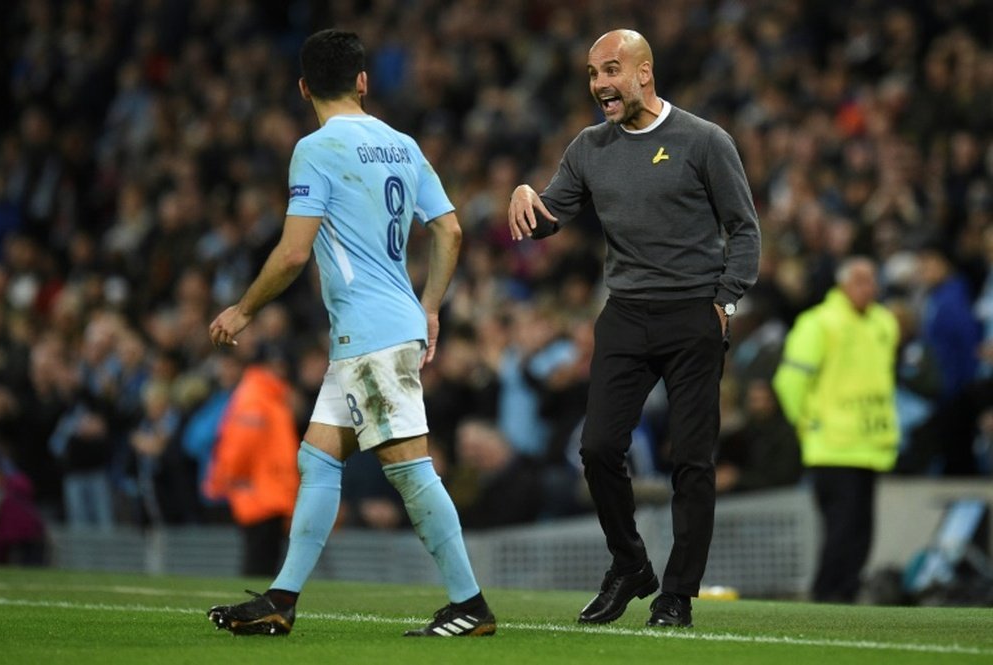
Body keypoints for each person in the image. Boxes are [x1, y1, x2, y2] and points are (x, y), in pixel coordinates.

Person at [206, 29, 495, 638]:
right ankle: (282, 598)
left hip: (369, 333)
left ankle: (470, 603)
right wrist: (432, 306)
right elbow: (450, 231)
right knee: (316, 460)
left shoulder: (316, 148)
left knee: (411, 470)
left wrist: (243, 311)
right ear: (363, 81)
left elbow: (291, 255)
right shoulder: (401, 144)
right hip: (381, 330)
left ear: (304, 86)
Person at [507, 29, 760, 629]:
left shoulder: (704, 140)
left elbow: (744, 230)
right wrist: (524, 193)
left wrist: (726, 299)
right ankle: (631, 566)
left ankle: (677, 593)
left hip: (693, 310)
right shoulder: (590, 147)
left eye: (611, 71)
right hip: (625, 313)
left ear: (644, 73)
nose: (600, 85)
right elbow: (549, 217)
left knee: (692, 460)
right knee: (596, 448)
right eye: (594, 75)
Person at [772, 257, 900, 603]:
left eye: (872, 279)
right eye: (860, 280)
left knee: (862, 531)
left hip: (870, 444)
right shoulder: (818, 323)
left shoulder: (884, 323)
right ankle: (827, 594)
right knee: (841, 530)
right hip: (830, 444)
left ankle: (845, 592)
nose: (869, 287)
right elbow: (789, 382)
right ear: (842, 284)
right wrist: (806, 422)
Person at [204, 354, 300, 575]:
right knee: (259, 563)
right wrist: (229, 479)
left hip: (268, 493)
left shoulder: (267, 396)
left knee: (265, 561)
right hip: (260, 494)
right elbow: (242, 445)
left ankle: (258, 606)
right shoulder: (257, 397)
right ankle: (252, 608)